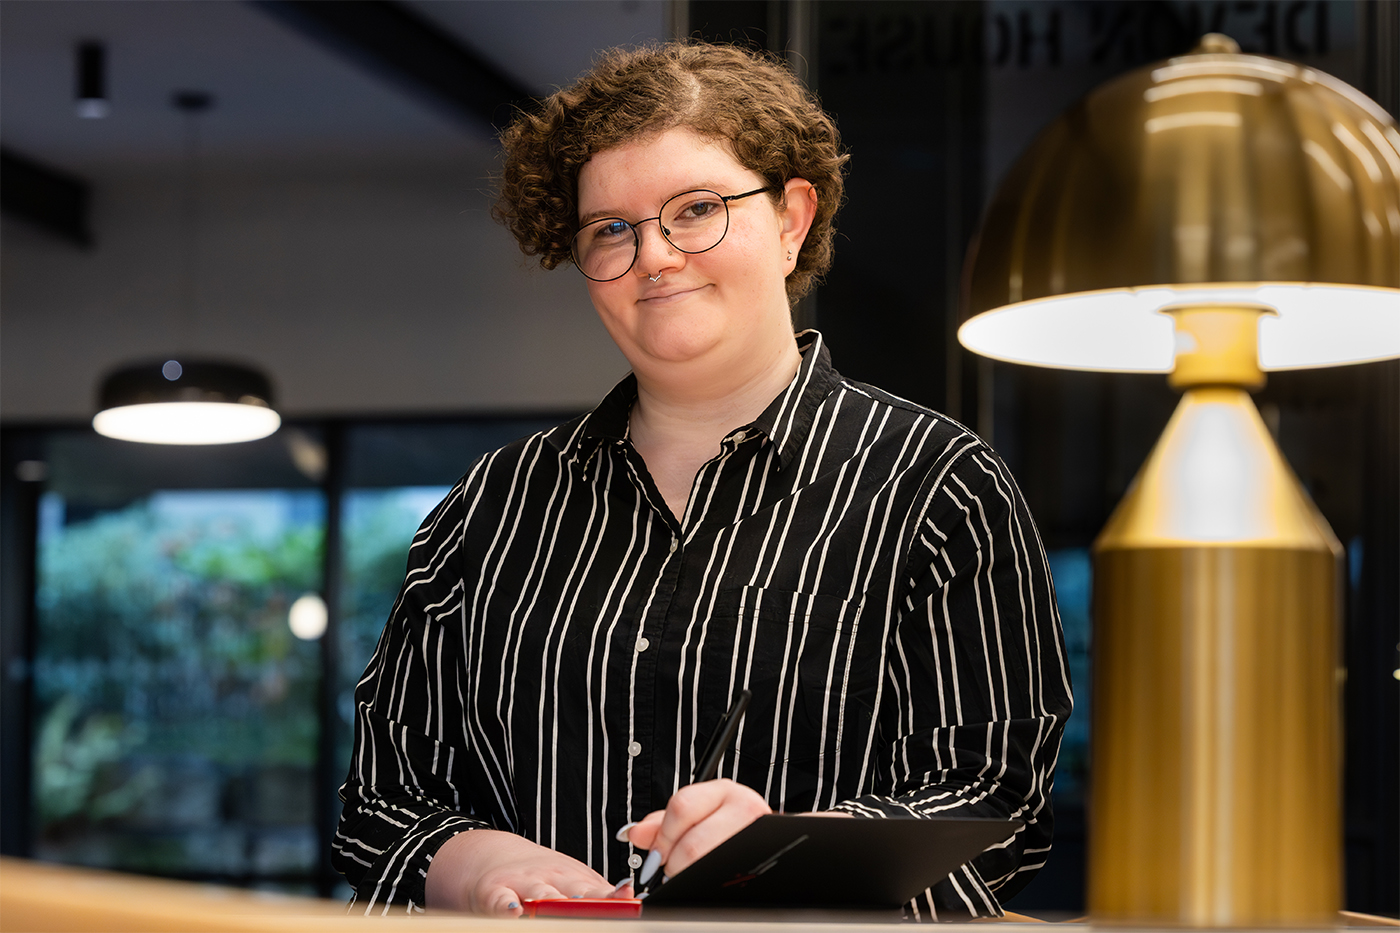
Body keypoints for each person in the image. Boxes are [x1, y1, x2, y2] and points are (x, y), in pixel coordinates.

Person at [332, 41, 1072, 921]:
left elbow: (1000, 811)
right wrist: (475, 859)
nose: (655, 255)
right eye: (611, 228)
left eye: (696, 210)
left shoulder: (942, 488)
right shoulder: (489, 509)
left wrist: (792, 852)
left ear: (793, 217)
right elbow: (380, 806)